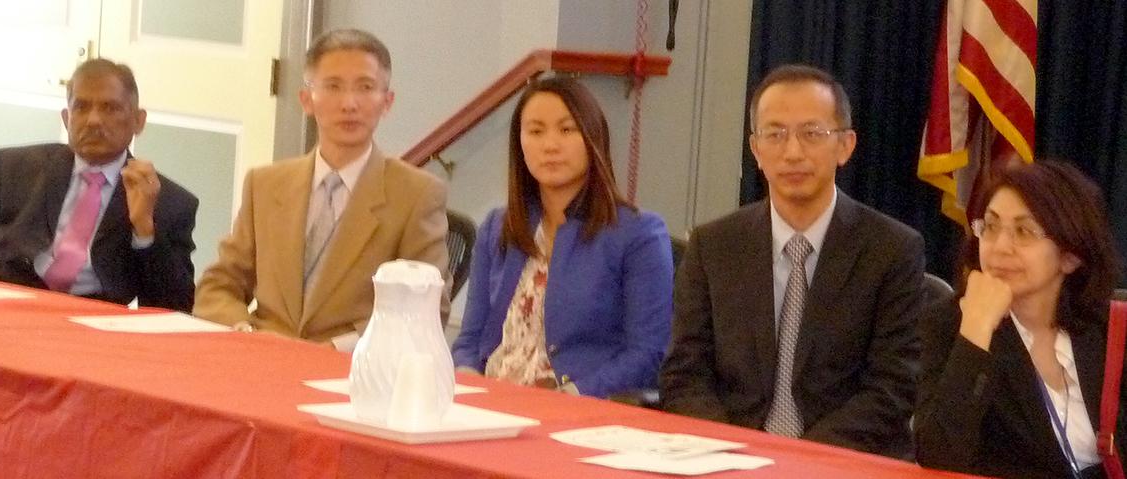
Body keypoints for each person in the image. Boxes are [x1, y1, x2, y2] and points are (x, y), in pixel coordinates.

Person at [659, 64, 925, 458]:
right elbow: (684, 374)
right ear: (756, 149)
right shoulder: (713, 246)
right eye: (775, 134)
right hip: (730, 459)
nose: (793, 151)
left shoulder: (891, 249)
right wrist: (737, 453)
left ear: (846, 145)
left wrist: (796, 461)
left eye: (812, 133)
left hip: (843, 460)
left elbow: (892, 389)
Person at [193, 29, 449, 351]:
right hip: (261, 359)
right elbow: (219, 285)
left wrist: (333, 350)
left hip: (351, 372)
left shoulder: (417, 194)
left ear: (387, 102)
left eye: (366, 87)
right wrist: (245, 333)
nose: (349, 103)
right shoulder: (264, 184)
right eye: (332, 86)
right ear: (306, 100)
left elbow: (426, 309)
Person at [451, 77, 674, 398]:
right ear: (520, 143)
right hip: (490, 401)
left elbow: (647, 353)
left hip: (575, 407)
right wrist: (467, 380)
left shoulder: (638, 234)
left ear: (593, 137)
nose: (550, 145)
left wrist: (572, 394)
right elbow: (470, 339)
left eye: (567, 130)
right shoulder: (498, 226)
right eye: (536, 131)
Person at [915, 161, 1125, 479]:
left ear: (1070, 255)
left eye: (1023, 232)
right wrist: (976, 331)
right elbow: (939, 456)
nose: (999, 247)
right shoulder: (948, 322)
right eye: (990, 226)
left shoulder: (1110, 330)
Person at [0, 59, 198, 311]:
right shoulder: (13, 169)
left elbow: (173, 306)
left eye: (110, 108)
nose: (94, 120)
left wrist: (144, 228)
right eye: (82, 107)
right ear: (67, 118)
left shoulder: (168, 202)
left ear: (138, 121)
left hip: (92, 319)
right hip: (8, 306)